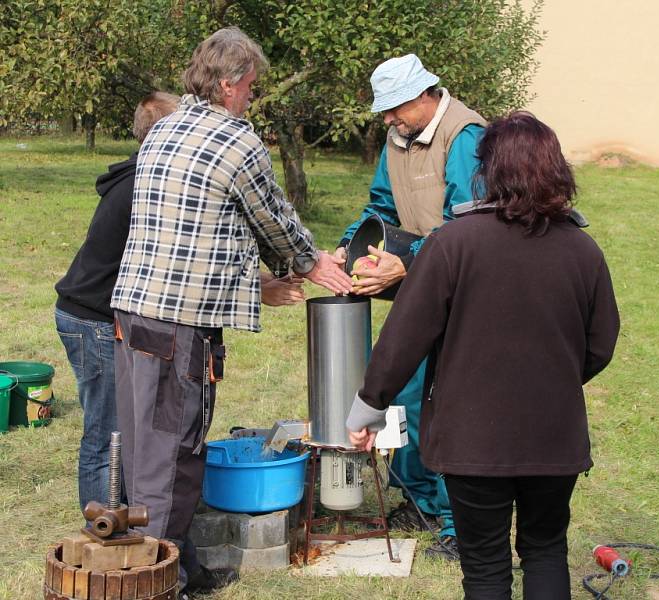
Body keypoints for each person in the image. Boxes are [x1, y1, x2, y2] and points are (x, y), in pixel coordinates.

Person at [110, 27, 352, 596]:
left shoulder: (165, 128)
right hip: (177, 328)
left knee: (147, 449)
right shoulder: (235, 139)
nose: (252, 96)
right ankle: (158, 583)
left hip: (132, 315)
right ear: (227, 84)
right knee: (173, 457)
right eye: (250, 86)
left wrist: (266, 278)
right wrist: (312, 263)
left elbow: (205, 228)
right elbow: (271, 216)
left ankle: (180, 567)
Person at [346, 112, 620, 599]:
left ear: (489, 171)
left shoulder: (452, 244)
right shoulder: (584, 250)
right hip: (552, 436)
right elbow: (600, 344)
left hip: (472, 439)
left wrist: (368, 405)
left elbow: (404, 336)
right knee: (545, 551)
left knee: (487, 566)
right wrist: (553, 379)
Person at [335, 53, 487, 559]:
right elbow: (380, 205)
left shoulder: (465, 136)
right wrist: (348, 245)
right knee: (406, 389)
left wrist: (411, 262)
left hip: (462, 285)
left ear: (426, 95)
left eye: (394, 108)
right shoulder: (396, 137)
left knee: (448, 403)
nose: (388, 120)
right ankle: (418, 500)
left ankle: (455, 523)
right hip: (420, 283)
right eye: (383, 112)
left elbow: (470, 222)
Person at [55, 92, 180, 512]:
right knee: (107, 430)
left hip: (87, 311)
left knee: (117, 426)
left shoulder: (137, 173)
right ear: (164, 133)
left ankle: (119, 512)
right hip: (91, 318)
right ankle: (101, 528)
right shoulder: (144, 184)